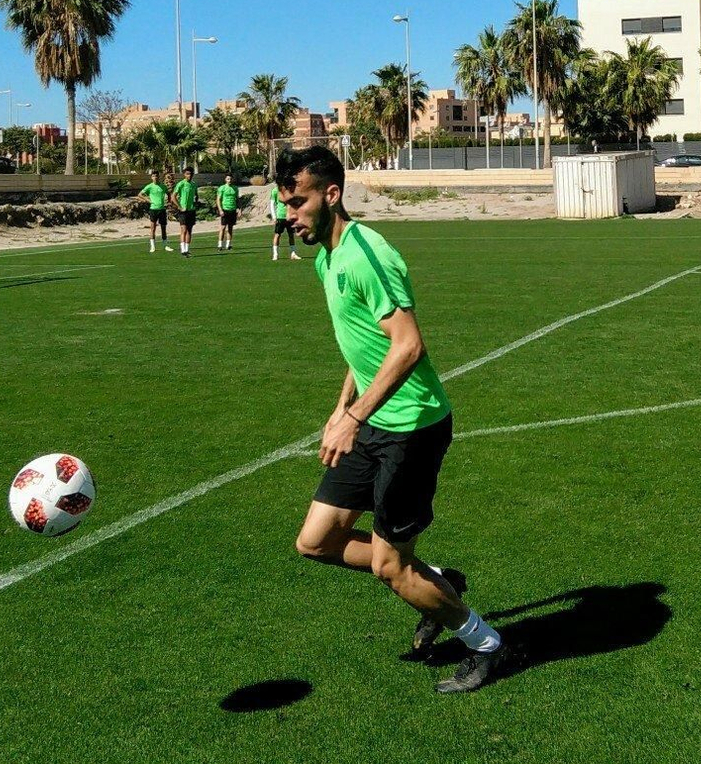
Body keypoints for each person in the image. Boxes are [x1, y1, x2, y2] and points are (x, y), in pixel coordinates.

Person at [277, 145, 508, 692]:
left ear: (332, 194)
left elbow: (407, 346)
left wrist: (354, 416)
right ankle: (436, 582)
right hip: (372, 419)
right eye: (284, 203)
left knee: (390, 566)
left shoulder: (365, 254)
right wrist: (342, 408)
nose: (289, 215)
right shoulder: (326, 257)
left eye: (297, 202)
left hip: (412, 427)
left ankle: (486, 643)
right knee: (315, 542)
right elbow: (366, 346)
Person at [138, 170, 170, 253]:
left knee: (163, 228)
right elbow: (140, 194)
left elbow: (168, 193)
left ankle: (165, 245)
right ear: (151, 177)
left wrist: (168, 202)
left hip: (162, 209)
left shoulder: (163, 186)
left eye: (156, 176)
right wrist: (147, 200)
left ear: (159, 177)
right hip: (153, 209)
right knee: (153, 228)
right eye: (153, 176)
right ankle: (152, 246)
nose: (155, 177)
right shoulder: (149, 186)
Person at [271, 180, 300, 261]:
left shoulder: (289, 190)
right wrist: (274, 216)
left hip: (289, 216)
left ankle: (293, 253)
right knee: (277, 234)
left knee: (291, 234)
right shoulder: (275, 191)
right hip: (280, 216)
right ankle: (275, 254)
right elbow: (272, 204)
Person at [173, 167, 197, 257]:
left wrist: (195, 202)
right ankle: (182, 250)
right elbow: (173, 197)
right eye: (187, 174)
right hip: (183, 211)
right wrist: (180, 207)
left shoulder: (194, 184)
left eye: (190, 174)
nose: (189, 176)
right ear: (184, 174)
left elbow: (196, 195)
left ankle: (187, 249)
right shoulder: (181, 184)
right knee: (184, 229)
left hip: (191, 210)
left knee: (189, 230)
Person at [216, 174, 239, 252]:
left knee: (230, 227)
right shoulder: (222, 188)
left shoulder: (235, 188)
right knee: (223, 227)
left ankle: (228, 245)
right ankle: (220, 245)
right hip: (225, 209)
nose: (230, 180)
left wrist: (239, 209)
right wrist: (220, 210)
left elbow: (237, 199)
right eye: (228, 179)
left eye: (231, 179)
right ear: (225, 180)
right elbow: (218, 199)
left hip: (233, 209)